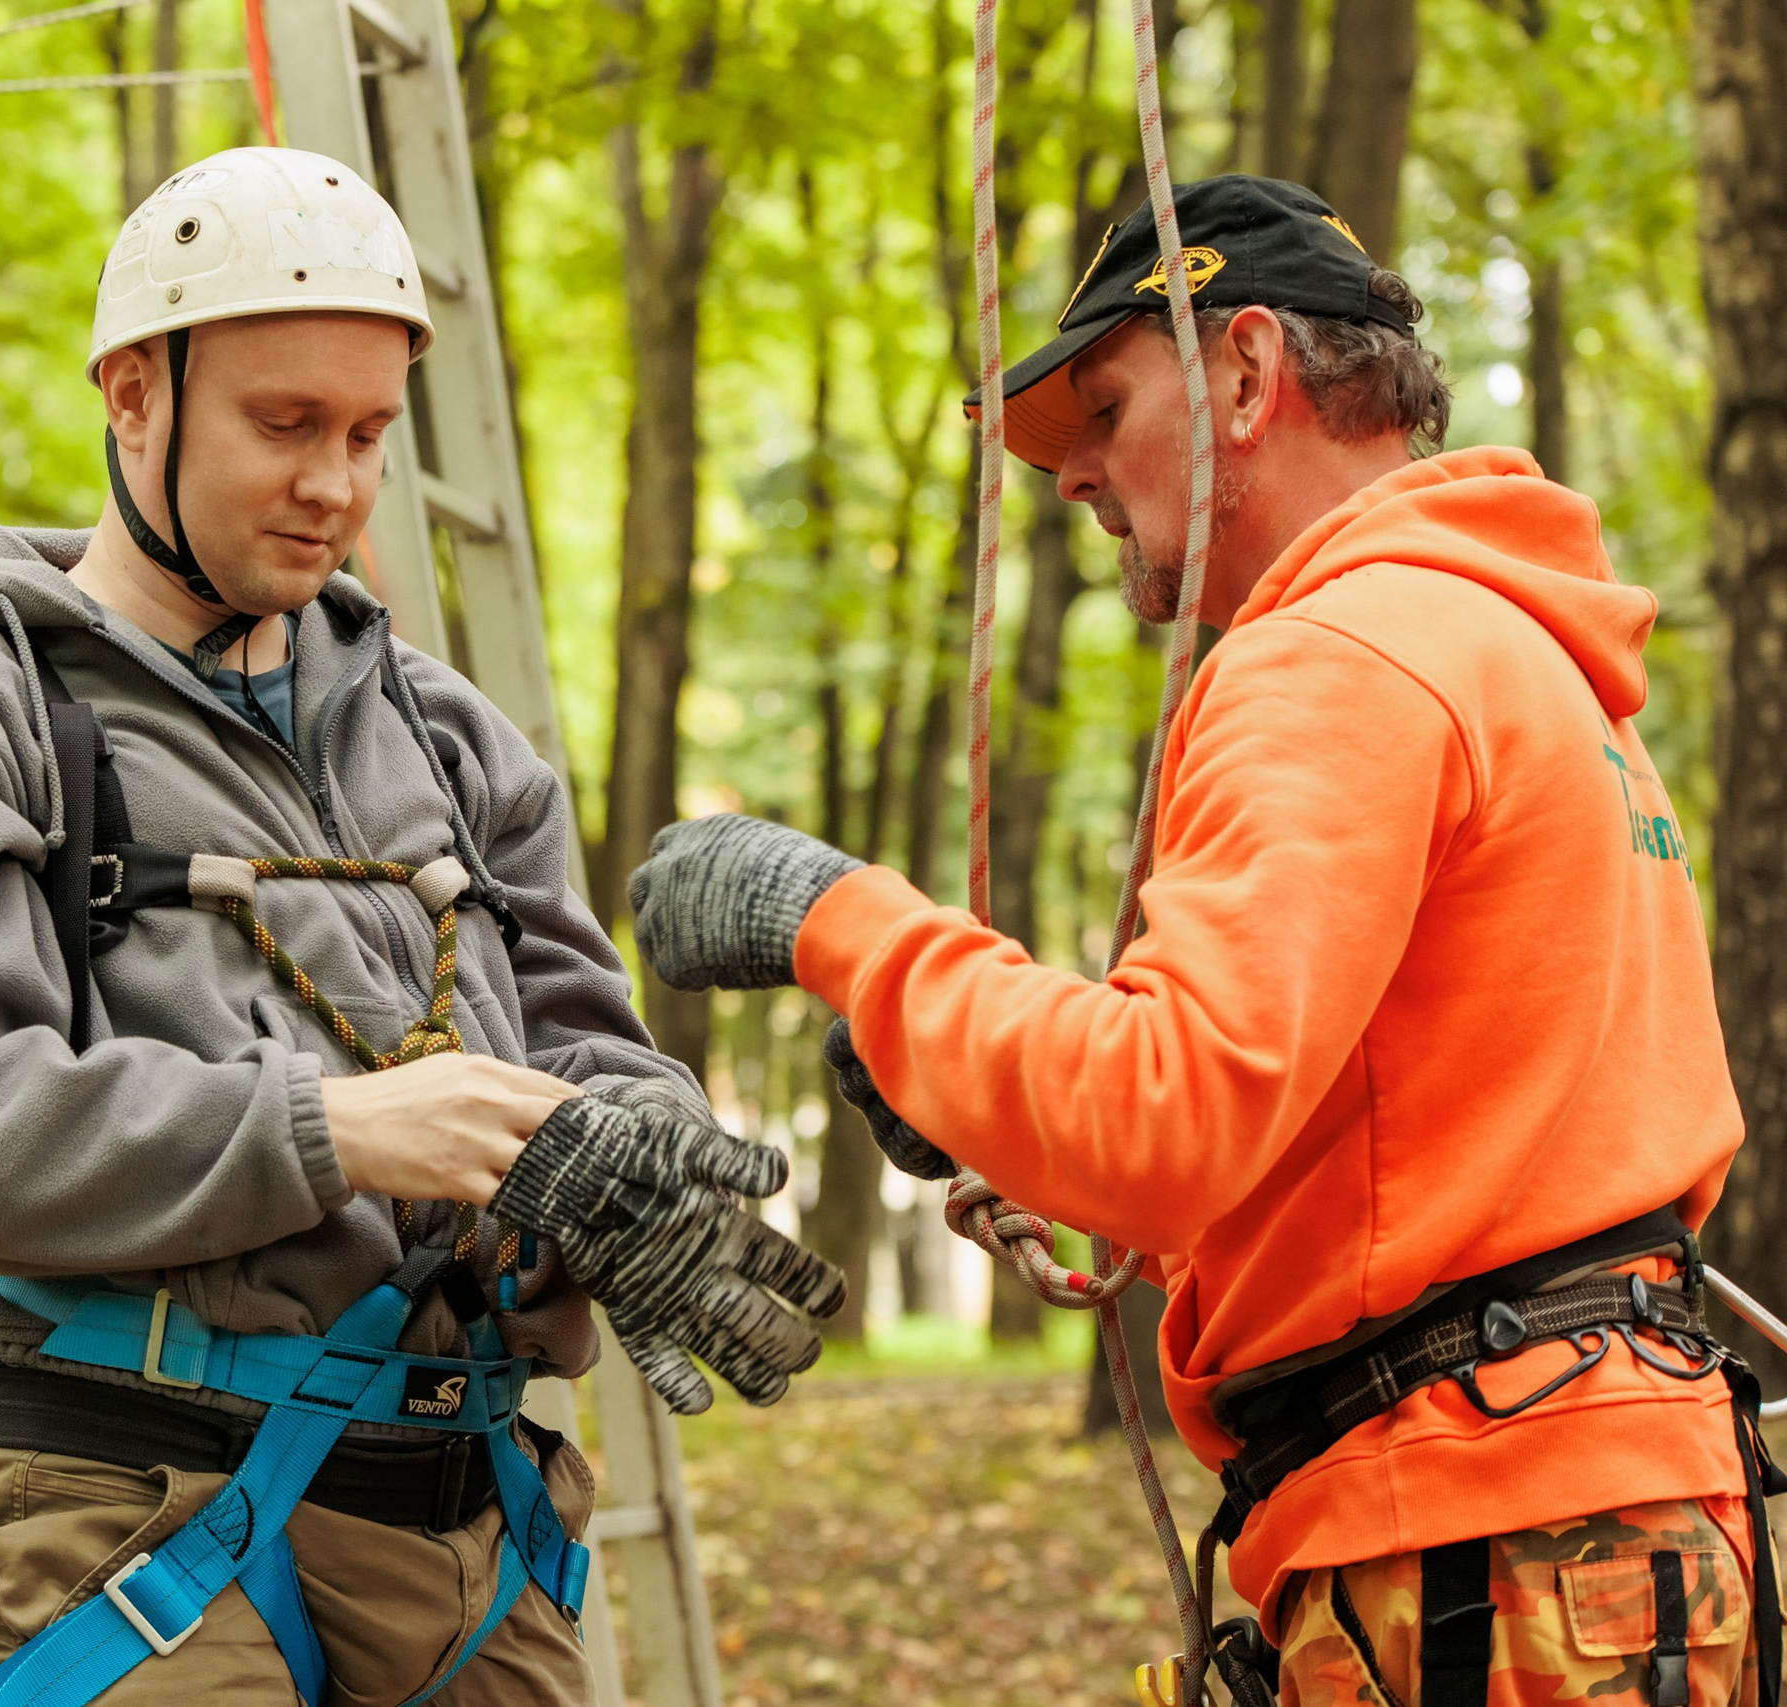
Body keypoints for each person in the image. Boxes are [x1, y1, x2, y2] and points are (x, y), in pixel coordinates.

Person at [626, 175, 1780, 1707]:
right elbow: (1375, 1153)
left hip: (1478, 1539)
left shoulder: (1336, 655)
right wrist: (989, 1100)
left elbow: (1163, 1116)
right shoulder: (1509, 650)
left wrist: (838, 919)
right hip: (1602, 1523)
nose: (1074, 479)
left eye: (1103, 408)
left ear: (1243, 371)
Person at [0, 146, 843, 1707]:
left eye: (367, 433)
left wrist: (626, 1165)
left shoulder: (445, 734)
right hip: (121, 1521)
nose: (336, 484)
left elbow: (588, 1045)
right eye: (284, 425)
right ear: (136, 392)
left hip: (471, 1528)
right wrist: (345, 1129)